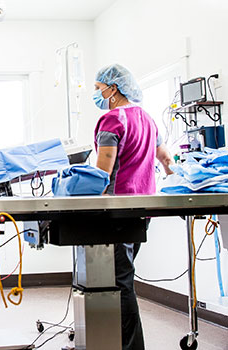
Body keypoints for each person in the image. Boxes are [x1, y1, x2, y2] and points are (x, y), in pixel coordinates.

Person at [92, 64, 174, 350]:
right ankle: (112, 339)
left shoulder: (112, 120)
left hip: (117, 209)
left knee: (118, 280)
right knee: (123, 274)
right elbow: (165, 159)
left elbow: (103, 173)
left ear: (112, 89)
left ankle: (130, 346)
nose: (97, 93)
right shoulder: (148, 119)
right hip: (143, 209)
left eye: (98, 88)